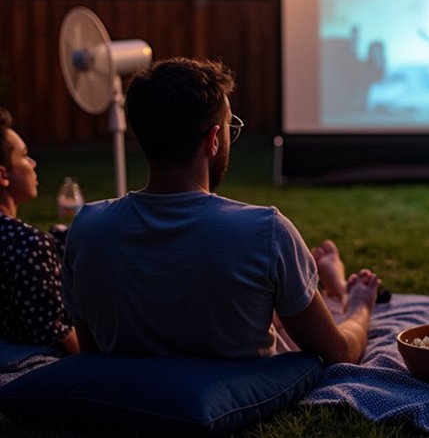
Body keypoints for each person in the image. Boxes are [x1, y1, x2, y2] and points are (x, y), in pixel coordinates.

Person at [62, 58, 379, 364]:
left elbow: (93, 357)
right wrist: (360, 309)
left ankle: (330, 289)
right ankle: (341, 296)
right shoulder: (265, 231)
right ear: (213, 140)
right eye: (230, 127)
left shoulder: (89, 230)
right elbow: (339, 352)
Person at [0, 107, 78, 354]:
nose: (33, 163)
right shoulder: (28, 245)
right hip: (33, 371)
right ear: (3, 175)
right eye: (24, 156)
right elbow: (57, 335)